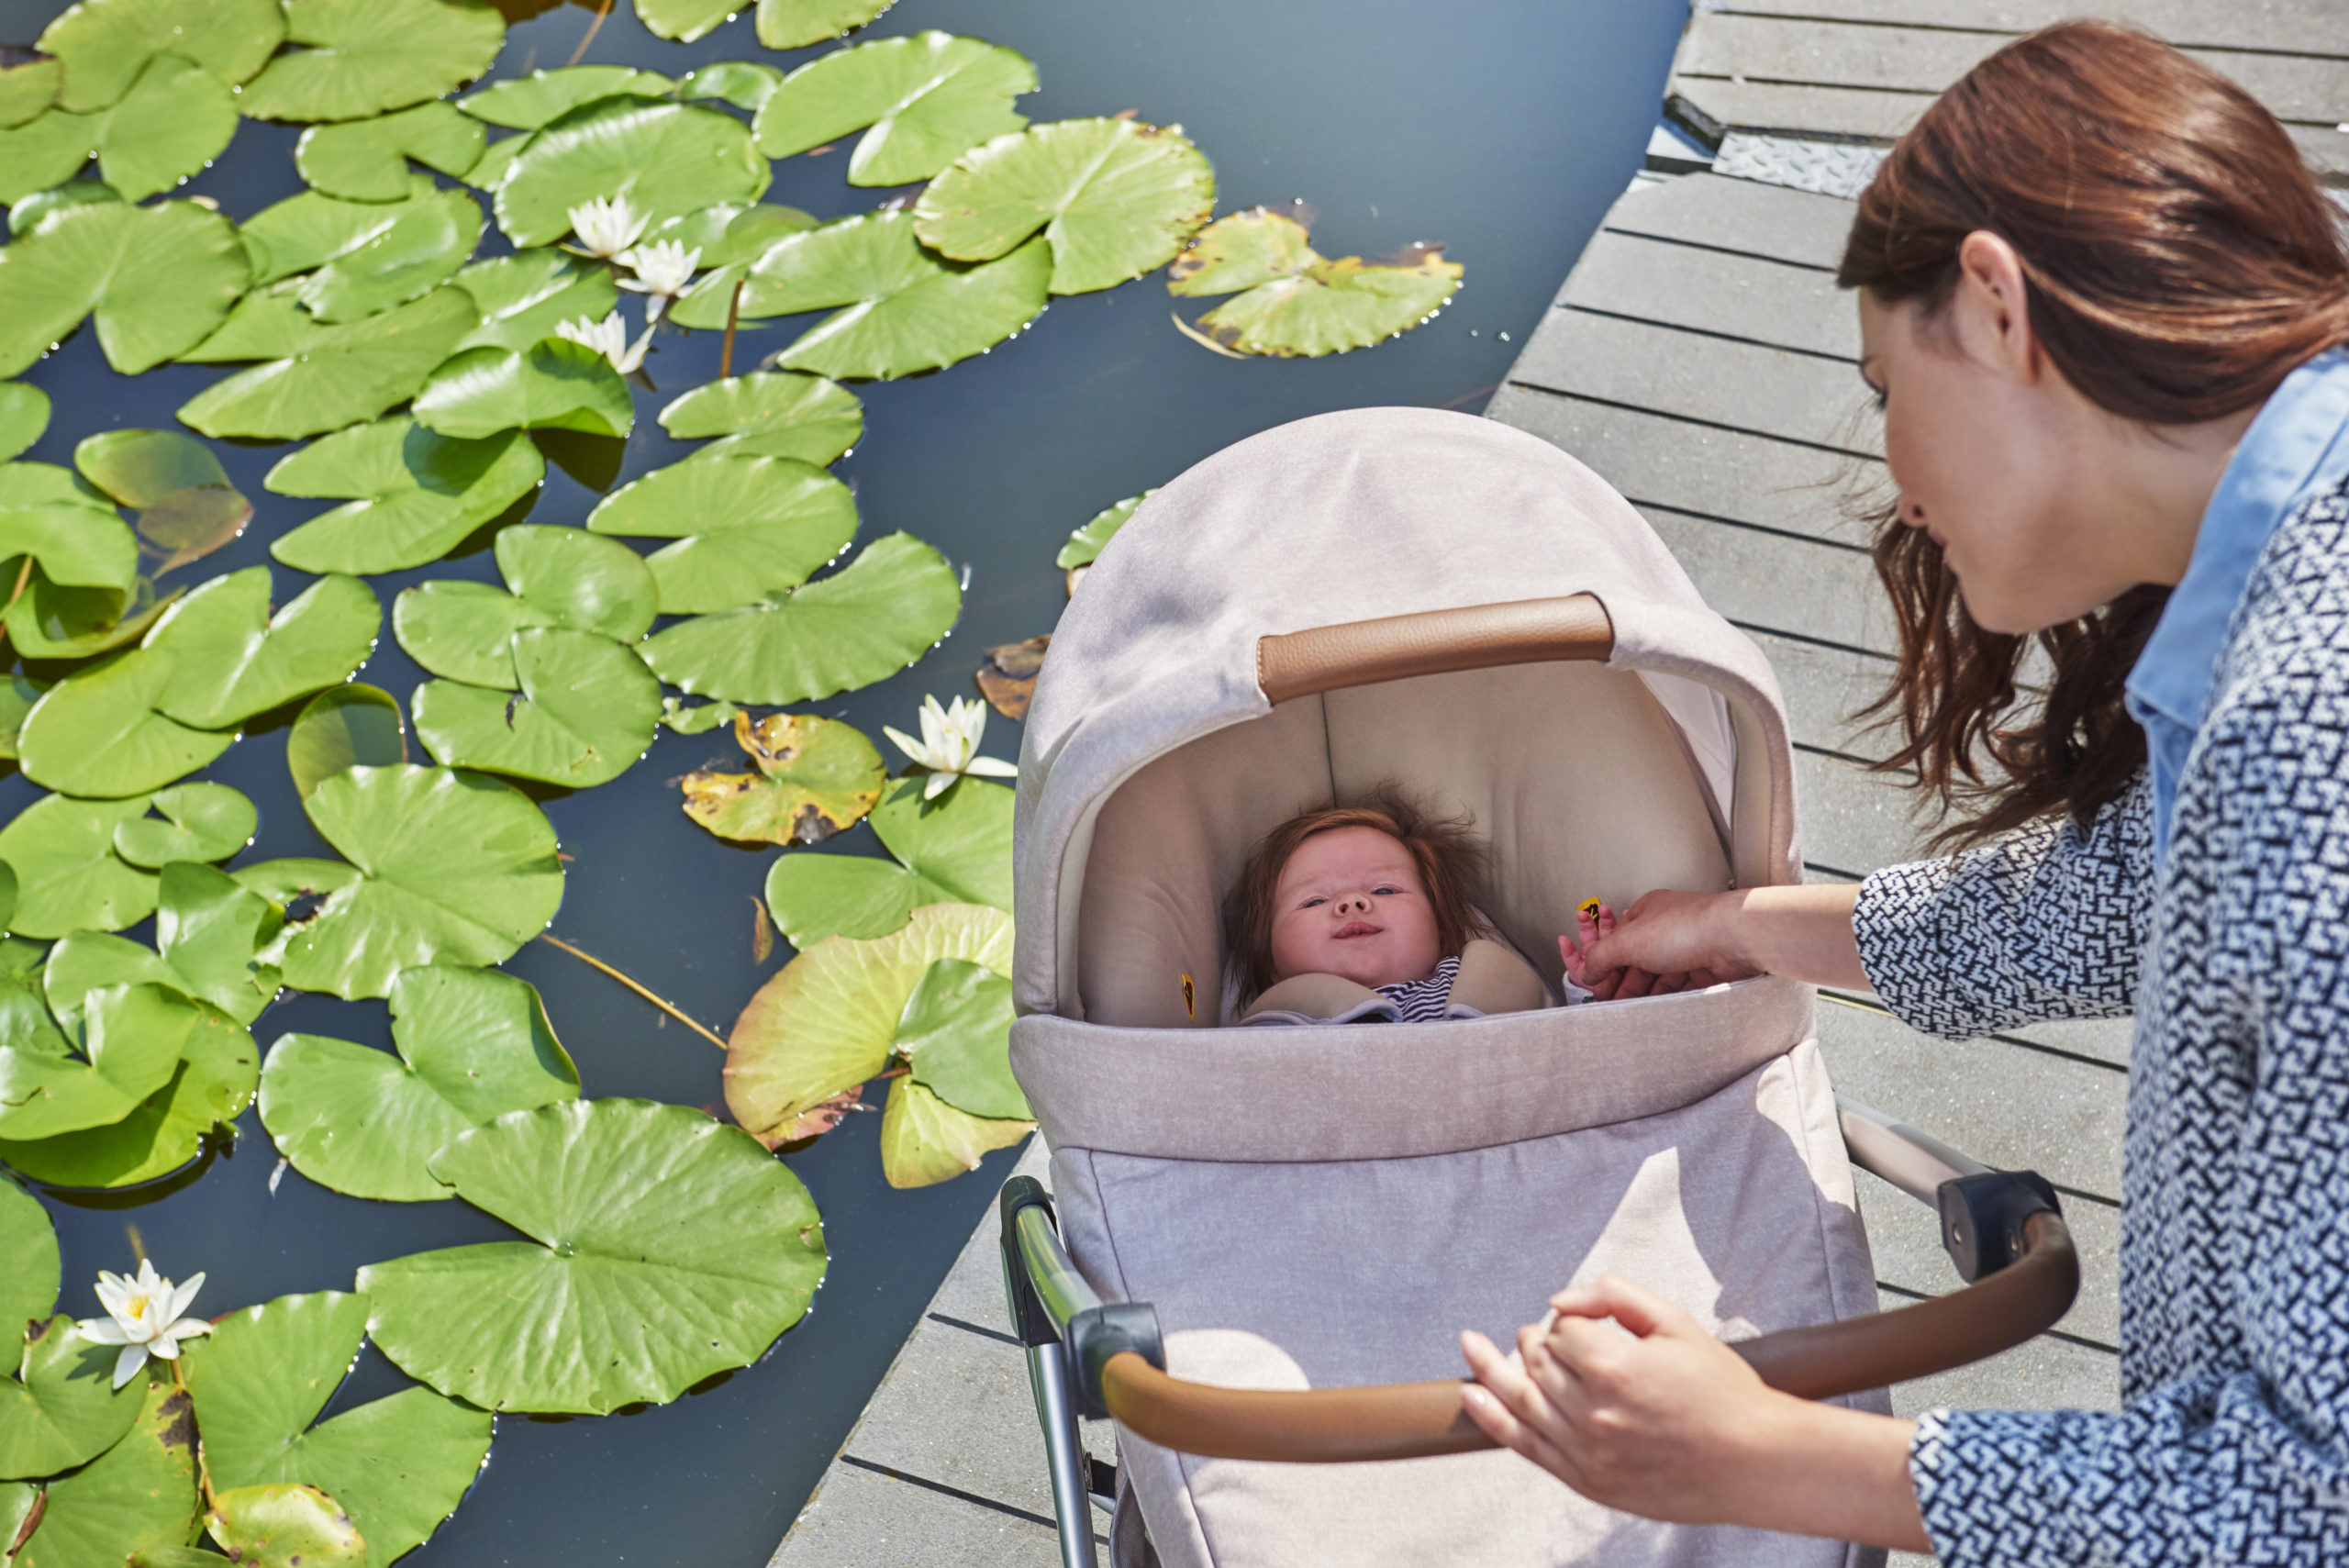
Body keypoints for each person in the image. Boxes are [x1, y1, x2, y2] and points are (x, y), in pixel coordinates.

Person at [1456, 19, 2349, 1563]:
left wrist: (1764, 1454)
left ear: (1997, 308)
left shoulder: (2305, 730)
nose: (1895, 468)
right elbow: (2127, 892)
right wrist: (1742, 919)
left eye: (1886, 385)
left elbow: (2305, 1496)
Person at [1223, 790, 1565, 1024]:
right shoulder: (1271, 1028)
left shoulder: (1481, 983)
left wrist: (1589, 993)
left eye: (1385, 890)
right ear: (1271, 965)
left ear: (1443, 933)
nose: (1352, 902)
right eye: (1314, 900)